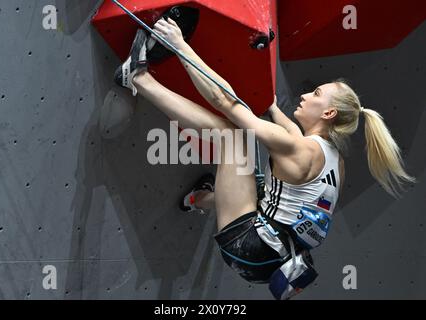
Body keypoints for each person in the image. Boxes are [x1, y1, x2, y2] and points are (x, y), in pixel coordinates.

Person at [114, 18, 416, 284]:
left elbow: (225, 102)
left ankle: (138, 78)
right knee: (259, 184)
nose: (305, 94)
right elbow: (289, 131)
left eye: (317, 94)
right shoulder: (332, 157)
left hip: (249, 247)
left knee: (232, 136)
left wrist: (179, 44)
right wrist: (269, 102)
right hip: (279, 258)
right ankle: (198, 199)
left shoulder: (297, 149)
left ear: (328, 114)